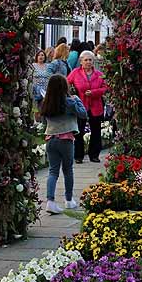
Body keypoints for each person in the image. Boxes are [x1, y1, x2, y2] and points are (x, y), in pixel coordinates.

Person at [39, 73, 87, 215]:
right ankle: (69, 200)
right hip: (66, 139)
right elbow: (83, 114)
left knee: (53, 171)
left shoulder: (46, 103)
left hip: (50, 139)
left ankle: (50, 201)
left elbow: (43, 121)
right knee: (67, 170)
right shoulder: (70, 101)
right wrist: (77, 100)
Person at [69, 50, 107, 164]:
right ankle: (78, 156)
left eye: (90, 60)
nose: (88, 62)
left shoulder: (99, 74)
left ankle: (94, 155)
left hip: (95, 106)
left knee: (96, 131)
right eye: (86, 60)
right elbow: (66, 82)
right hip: (81, 105)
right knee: (78, 131)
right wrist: (71, 95)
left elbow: (105, 88)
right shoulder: (75, 72)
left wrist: (94, 92)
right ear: (81, 61)